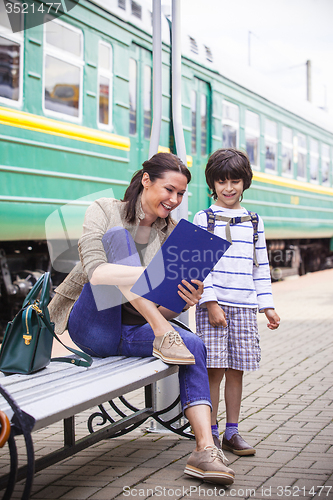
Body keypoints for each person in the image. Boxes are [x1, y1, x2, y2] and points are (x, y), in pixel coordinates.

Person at [49, 152, 236, 485]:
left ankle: (205, 450)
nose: (175, 200)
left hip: (136, 329)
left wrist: (181, 301)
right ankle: (165, 333)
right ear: (146, 180)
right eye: (169, 190)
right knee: (118, 239)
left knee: (192, 344)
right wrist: (154, 273)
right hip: (93, 324)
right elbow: (97, 273)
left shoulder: (173, 233)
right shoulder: (105, 210)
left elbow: (162, 305)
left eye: (180, 194)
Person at [193, 148, 280, 456]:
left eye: (235, 181)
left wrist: (266, 305)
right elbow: (199, 266)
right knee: (213, 370)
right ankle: (211, 433)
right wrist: (212, 302)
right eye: (221, 181)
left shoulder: (254, 221)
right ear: (212, 183)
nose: (228, 188)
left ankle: (232, 431)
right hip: (213, 307)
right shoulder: (204, 217)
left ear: (245, 182)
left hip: (244, 306)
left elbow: (261, 267)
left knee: (237, 370)